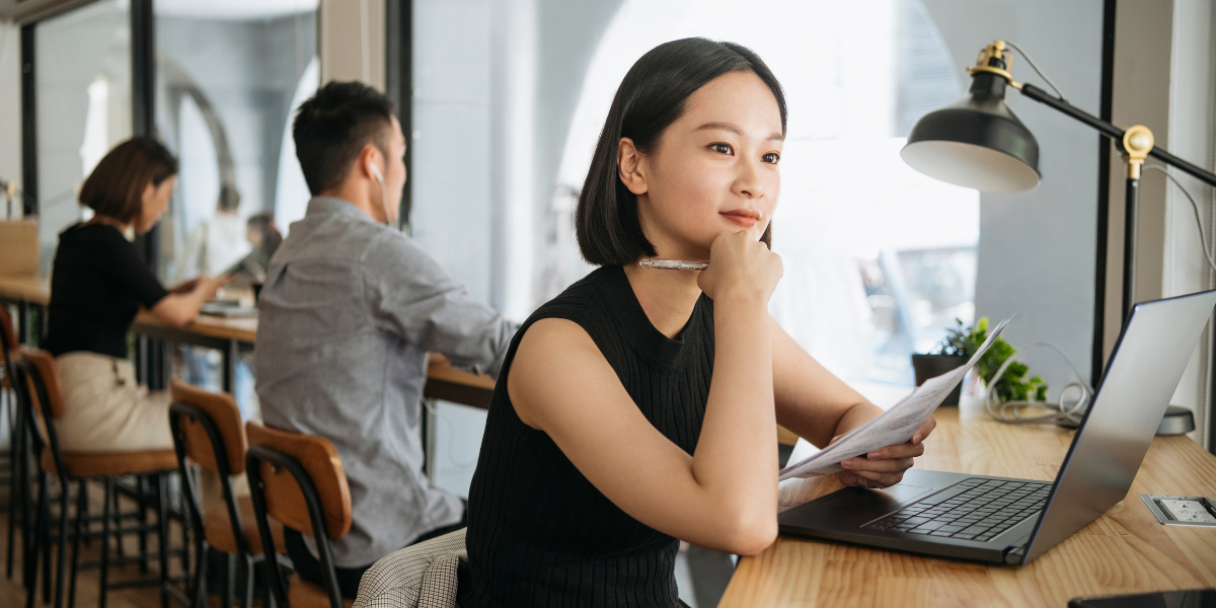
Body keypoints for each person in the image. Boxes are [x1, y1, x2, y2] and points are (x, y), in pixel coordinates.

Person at [459, 38, 937, 608]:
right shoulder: (558, 348)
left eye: (771, 156)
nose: (754, 183)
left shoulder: (715, 315)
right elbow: (740, 525)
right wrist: (741, 300)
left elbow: (849, 416)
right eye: (720, 147)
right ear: (634, 165)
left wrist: (875, 453)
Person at [253, 81, 516, 599]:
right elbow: (505, 346)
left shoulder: (288, 251)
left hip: (309, 538)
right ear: (372, 163)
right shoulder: (375, 252)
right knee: (524, 537)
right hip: (379, 543)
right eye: (399, 155)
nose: (402, 171)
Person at [43, 137, 228, 452]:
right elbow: (179, 315)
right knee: (218, 423)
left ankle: (218, 505)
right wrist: (205, 289)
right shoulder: (110, 242)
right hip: (96, 412)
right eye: (167, 195)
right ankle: (225, 505)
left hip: (66, 410)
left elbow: (114, 296)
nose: (166, 208)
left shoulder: (77, 238)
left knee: (207, 415)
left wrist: (171, 292)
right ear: (146, 189)